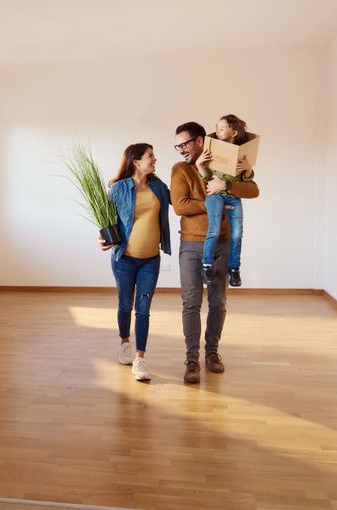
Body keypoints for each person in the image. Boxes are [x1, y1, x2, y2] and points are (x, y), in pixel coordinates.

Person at [170, 122, 259, 384]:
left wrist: (227, 188)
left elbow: (253, 189)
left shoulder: (226, 164)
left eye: (184, 144)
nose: (181, 150)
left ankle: (212, 353)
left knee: (218, 302)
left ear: (200, 141)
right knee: (191, 303)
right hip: (191, 244)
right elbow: (180, 206)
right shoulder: (180, 169)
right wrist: (215, 204)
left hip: (222, 243)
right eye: (178, 145)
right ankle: (191, 359)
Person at [99, 143, 171, 382]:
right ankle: (124, 343)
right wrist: (103, 238)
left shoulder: (159, 187)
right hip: (124, 259)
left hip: (151, 260)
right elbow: (105, 220)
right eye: (150, 156)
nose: (155, 159)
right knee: (124, 304)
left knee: (143, 309)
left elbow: (182, 202)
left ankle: (140, 358)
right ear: (136, 161)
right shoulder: (118, 188)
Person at [199, 114, 257, 288]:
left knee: (237, 233)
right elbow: (208, 180)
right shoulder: (212, 149)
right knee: (214, 229)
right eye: (217, 127)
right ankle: (206, 265)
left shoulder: (242, 153)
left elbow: (246, 183)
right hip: (215, 195)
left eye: (222, 128)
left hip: (233, 197)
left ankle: (234, 269)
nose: (217, 130)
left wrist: (248, 170)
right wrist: (199, 165)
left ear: (234, 132)